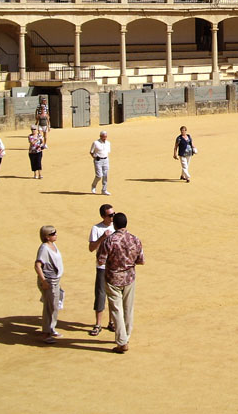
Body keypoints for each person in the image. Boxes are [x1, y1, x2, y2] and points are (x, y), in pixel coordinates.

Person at [97, 212, 144, 353]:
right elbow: (140, 260)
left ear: (115, 224)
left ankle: (122, 341)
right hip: (129, 277)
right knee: (128, 308)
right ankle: (126, 336)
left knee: (117, 309)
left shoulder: (110, 241)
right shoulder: (135, 239)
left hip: (113, 278)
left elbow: (100, 260)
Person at [88, 203, 115, 336]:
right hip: (102, 266)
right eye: (110, 215)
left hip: (115, 267)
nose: (112, 217)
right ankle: (98, 324)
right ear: (103, 216)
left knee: (113, 295)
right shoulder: (96, 228)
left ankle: (111, 322)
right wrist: (103, 237)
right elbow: (91, 248)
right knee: (100, 295)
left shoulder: (117, 227)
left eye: (113, 214)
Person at [34, 225, 63, 344]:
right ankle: (46, 333)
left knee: (54, 305)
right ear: (46, 237)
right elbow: (37, 265)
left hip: (55, 280)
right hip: (49, 281)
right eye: (52, 233)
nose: (55, 234)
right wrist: (44, 281)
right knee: (49, 307)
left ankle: (51, 328)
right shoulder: (44, 248)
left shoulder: (53, 245)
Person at [90, 130, 111, 195]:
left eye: (105, 137)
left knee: (105, 175)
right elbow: (91, 152)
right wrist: (95, 157)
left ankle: (104, 190)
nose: (104, 138)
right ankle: (93, 186)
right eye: (103, 137)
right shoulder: (95, 143)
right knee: (99, 176)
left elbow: (108, 151)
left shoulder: (108, 143)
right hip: (98, 160)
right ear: (100, 136)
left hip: (106, 160)